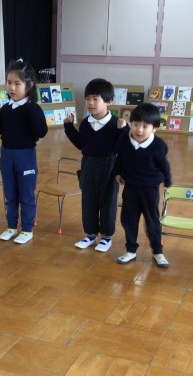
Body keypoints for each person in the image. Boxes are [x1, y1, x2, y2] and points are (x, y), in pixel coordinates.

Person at [0, 59, 48, 244]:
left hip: (25, 156)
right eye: (9, 82)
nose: (12, 87)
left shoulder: (32, 108)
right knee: (9, 193)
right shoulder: (6, 109)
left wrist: (32, 109)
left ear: (29, 84)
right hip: (6, 156)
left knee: (26, 195)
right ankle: (11, 226)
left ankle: (27, 229)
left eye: (17, 83)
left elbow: (41, 131)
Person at [64, 78, 128, 252]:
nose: (90, 103)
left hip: (109, 165)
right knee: (88, 200)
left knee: (108, 201)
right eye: (87, 99)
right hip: (89, 164)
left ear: (109, 102)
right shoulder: (85, 123)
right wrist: (69, 127)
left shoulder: (116, 123)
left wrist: (125, 130)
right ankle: (91, 234)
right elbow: (81, 145)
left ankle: (106, 237)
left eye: (95, 99)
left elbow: (124, 147)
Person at [115, 103, 172, 267]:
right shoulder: (124, 141)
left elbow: (164, 165)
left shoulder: (158, 145)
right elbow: (120, 158)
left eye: (145, 126)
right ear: (130, 124)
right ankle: (131, 250)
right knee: (128, 220)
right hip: (131, 188)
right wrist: (117, 172)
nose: (139, 130)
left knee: (152, 221)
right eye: (135, 124)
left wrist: (167, 181)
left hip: (150, 189)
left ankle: (158, 251)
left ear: (155, 128)